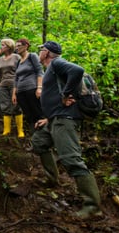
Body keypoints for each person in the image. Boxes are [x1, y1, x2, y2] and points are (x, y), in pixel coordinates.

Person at [31, 41, 102, 219]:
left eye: (41, 50)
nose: (38, 52)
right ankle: (51, 179)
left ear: (47, 52)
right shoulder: (52, 69)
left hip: (65, 119)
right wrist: (48, 117)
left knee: (71, 159)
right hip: (54, 118)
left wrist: (66, 95)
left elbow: (77, 70)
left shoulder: (56, 63)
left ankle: (93, 207)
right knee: (39, 142)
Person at [12, 38, 44, 135]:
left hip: (32, 89)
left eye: (19, 46)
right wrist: (14, 94)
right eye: (16, 46)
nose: (17, 48)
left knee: (37, 113)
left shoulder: (32, 56)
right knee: (29, 116)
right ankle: (34, 137)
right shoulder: (18, 61)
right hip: (21, 92)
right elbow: (16, 78)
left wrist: (39, 87)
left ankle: (43, 136)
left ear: (26, 46)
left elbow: (40, 71)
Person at [0, 38, 24, 138]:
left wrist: (20, 84)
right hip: (3, 84)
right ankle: (7, 130)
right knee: (5, 106)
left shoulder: (16, 57)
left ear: (8, 46)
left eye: (3, 45)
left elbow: (21, 71)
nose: (1, 47)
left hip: (14, 83)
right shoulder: (0, 59)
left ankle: (20, 131)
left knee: (16, 105)